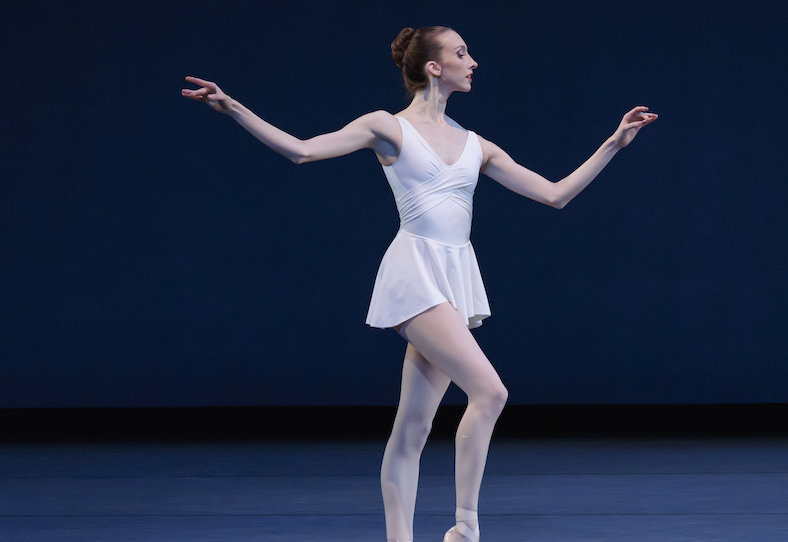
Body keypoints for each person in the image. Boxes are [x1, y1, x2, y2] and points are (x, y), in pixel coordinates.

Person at [183, 25, 657, 542]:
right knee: (490, 391)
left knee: (412, 429)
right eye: (460, 52)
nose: (472, 61)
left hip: (453, 277)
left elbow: (555, 195)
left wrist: (614, 143)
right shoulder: (388, 127)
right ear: (433, 66)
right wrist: (233, 108)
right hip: (415, 274)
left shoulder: (476, 145)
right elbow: (303, 151)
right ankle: (467, 527)